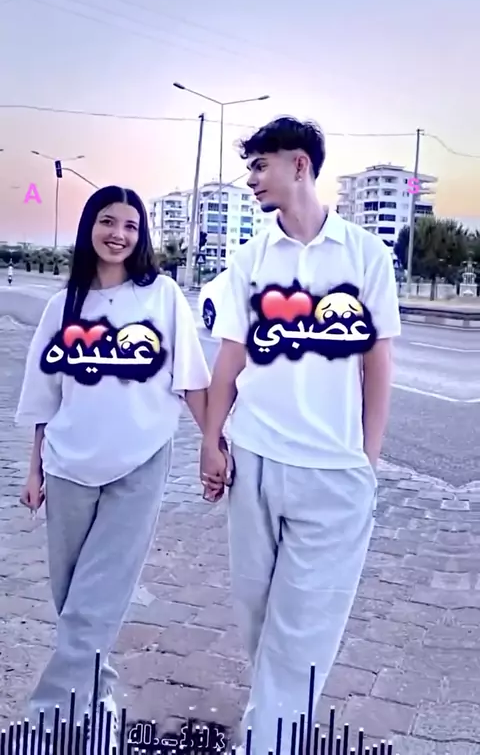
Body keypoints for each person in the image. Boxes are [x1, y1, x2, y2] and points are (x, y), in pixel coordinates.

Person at [200, 117, 401, 754]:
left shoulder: (365, 255)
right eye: (250, 168)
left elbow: (377, 362)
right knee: (259, 620)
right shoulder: (249, 258)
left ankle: (267, 742)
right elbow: (230, 357)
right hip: (255, 460)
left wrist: (366, 460)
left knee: (305, 630)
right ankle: (275, 726)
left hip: (333, 473)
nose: (252, 179)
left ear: (300, 166)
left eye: (261, 166)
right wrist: (211, 439)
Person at [16, 185, 212, 751]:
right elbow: (44, 397)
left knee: (96, 602)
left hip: (139, 463)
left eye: (130, 225)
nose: (118, 234)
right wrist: (34, 470)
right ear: (89, 228)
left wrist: (213, 444)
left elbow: (192, 381)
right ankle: (97, 702)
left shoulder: (162, 296)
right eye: (107, 221)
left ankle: (46, 723)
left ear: (141, 234)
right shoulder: (63, 306)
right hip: (67, 465)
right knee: (73, 601)